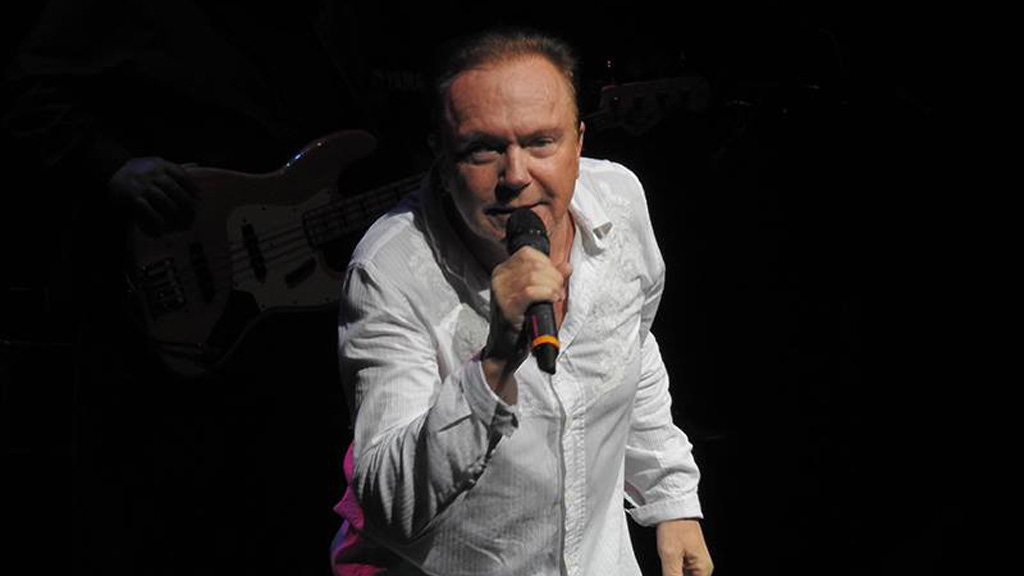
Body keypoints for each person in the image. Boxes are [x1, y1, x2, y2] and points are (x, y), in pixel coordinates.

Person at [332, 27, 713, 575]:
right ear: (439, 154)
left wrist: (669, 497)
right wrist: (492, 366)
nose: (515, 176)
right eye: (483, 149)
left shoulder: (621, 202)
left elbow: (630, 347)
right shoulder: (389, 270)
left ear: (578, 143)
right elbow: (389, 507)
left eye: (541, 143)